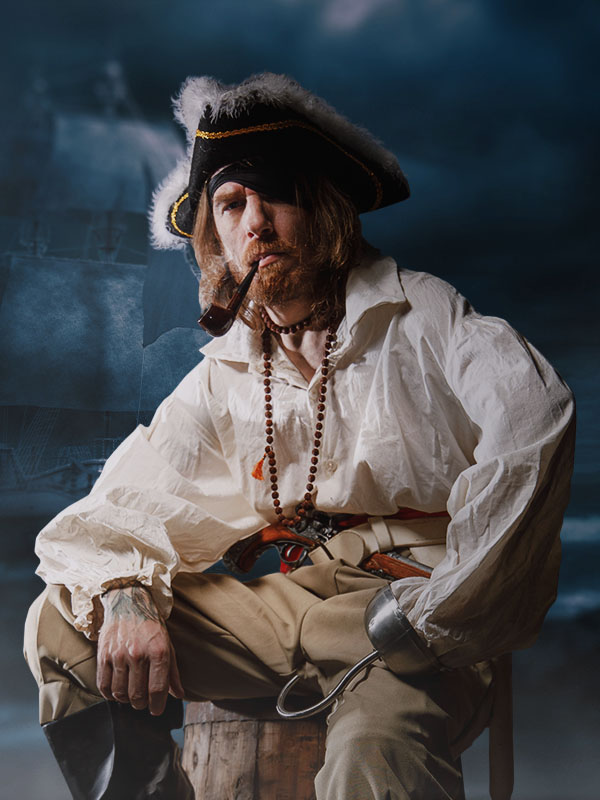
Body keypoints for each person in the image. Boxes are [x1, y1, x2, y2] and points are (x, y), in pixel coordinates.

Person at [24, 73, 575, 800]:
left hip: (417, 602)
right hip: (289, 607)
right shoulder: (227, 370)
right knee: (64, 626)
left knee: (373, 757)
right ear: (215, 235)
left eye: (275, 194)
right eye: (232, 204)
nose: (255, 222)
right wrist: (126, 596)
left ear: (322, 207)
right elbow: (118, 510)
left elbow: (533, 428)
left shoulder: (426, 316)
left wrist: (445, 614)